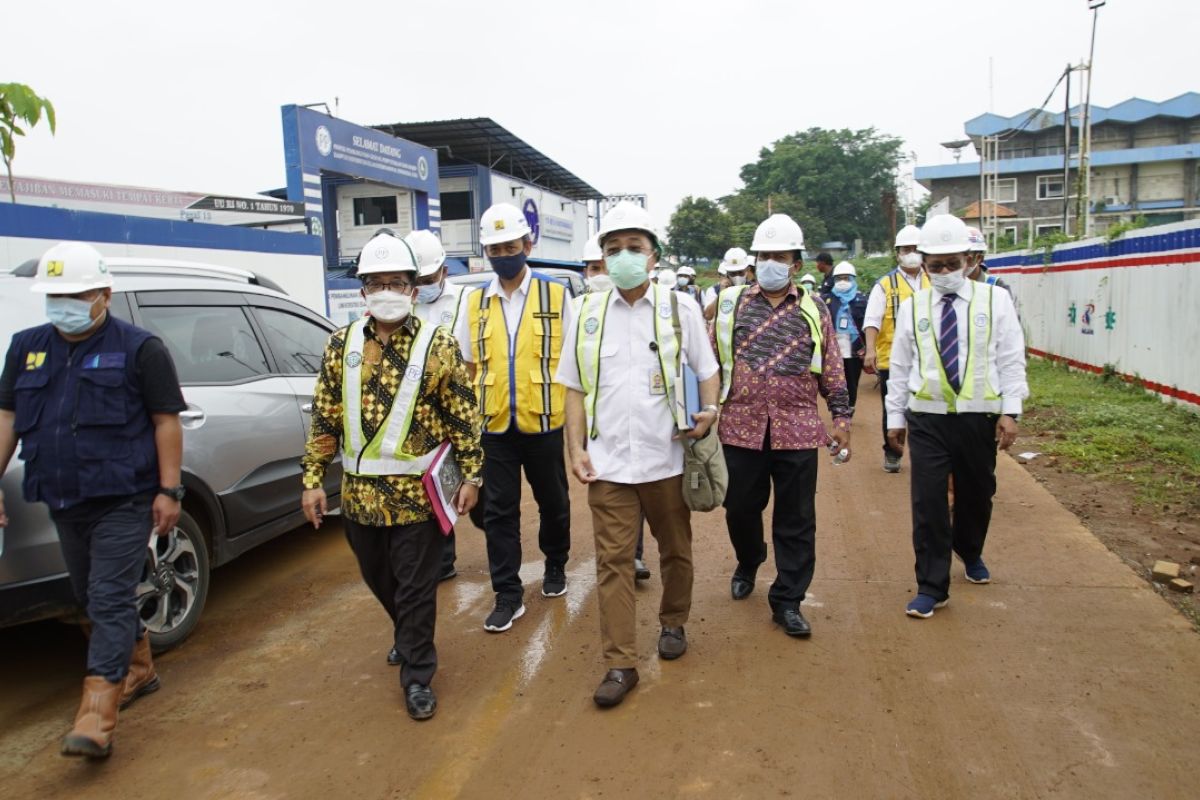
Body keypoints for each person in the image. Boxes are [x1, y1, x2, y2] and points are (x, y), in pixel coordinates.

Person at [0, 242, 186, 758]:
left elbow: (165, 420)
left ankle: (97, 714)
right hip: (61, 495)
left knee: (106, 595)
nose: (64, 303)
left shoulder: (140, 348)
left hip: (124, 496)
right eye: (54, 294)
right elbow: (8, 420)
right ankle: (140, 667)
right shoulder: (26, 347)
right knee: (88, 593)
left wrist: (169, 489)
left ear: (104, 294)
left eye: (75, 293)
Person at [301, 232, 482, 720]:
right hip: (360, 497)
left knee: (416, 585)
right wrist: (313, 478)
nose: (387, 290)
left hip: (416, 498)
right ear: (362, 291)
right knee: (380, 579)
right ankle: (407, 633)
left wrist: (472, 475)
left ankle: (418, 674)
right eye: (376, 283)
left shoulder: (438, 345)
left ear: (413, 289)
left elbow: (464, 415)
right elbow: (325, 417)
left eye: (397, 283)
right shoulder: (340, 347)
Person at [557, 201, 720, 707]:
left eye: (634, 248)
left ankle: (673, 622)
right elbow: (573, 388)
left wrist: (710, 409)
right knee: (613, 562)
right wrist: (575, 449)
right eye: (613, 250)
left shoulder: (679, 309)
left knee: (675, 551)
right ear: (602, 260)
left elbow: (707, 368)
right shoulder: (584, 312)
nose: (623, 256)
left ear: (653, 257)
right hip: (609, 465)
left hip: (668, 460)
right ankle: (620, 663)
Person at [713, 214, 852, 638]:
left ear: (795, 262)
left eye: (780, 256)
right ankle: (749, 558)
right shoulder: (731, 304)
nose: (772, 262)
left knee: (796, 518)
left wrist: (841, 416)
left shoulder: (814, 308)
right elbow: (705, 359)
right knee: (739, 507)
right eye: (765, 255)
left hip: (797, 428)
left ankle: (788, 599)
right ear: (755, 261)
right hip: (740, 427)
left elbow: (831, 366)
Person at [884, 214, 1027, 619]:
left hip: (978, 417)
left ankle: (970, 547)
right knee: (928, 502)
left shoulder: (994, 300)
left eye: (952, 264)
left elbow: (1011, 358)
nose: (944, 272)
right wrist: (895, 418)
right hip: (927, 418)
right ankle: (932, 586)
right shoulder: (913, 308)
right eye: (936, 265)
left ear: (968, 260)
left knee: (977, 494)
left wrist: (1010, 411)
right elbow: (900, 367)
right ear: (923, 263)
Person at [454, 203, 574, 633]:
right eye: (495, 248)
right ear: (487, 252)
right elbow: (466, 367)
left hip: (545, 422)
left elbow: (575, 363)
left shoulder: (558, 295)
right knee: (499, 512)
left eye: (511, 245)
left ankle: (556, 563)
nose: (504, 253)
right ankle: (507, 593)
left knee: (554, 504)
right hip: (494, 427)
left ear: (528, 244)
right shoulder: (473, 303)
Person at [574, 233, 651, 583]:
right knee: (612, 508)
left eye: (600, 266)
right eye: (593, 267)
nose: (602, 271)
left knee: (641, 498)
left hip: (643, 430)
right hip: (598, 431)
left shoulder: (648, 309)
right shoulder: (578, 312)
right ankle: (623, 557)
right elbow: (570, 379)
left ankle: (633, 555)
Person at [405, 228, 475, 585]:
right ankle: (443, 560)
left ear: (444, 271)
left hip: (460, 409)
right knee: (432, 489)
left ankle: (502, 549)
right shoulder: (404, 302)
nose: (422, 286)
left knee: (477, 493)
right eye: (416, 279)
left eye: (429, 278)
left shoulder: (466, 300)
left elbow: (474, 361)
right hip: (418, 414)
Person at [863, 224, 929, 474]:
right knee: (894, 407)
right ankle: (892, 453)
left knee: (925, 410)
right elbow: (872, 320)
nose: (911, 253)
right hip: (892, 359)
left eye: (915, 248)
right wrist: (870, 349)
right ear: (898, 253)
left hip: (928, 360)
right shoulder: (885, 284)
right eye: (906, 249)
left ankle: (925, 454)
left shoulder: (933, 279)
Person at [821, 262, 869, 410]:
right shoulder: (827, 300)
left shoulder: (862, 300)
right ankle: (838, 407)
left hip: (855, 349)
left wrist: (868, 348)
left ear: (853, 279)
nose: (842, 282)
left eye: (846, 278)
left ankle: (850, 407)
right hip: (834, 349)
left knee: (852, 381)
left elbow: (868, 325)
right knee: (835, 380)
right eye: (839, 278)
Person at [703, 248, 749, 321]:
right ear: (727, 273)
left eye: (740, 272)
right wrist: (721, 294)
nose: (737, 276)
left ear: (747, 270)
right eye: (733, 273)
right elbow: (708, 316)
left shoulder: (753, 288)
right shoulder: (715, 290)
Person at [965, 226, 1013, 294]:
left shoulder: (998, 287)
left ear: (979, 258)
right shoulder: (950, 286)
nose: (960, 263)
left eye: (966, 259)